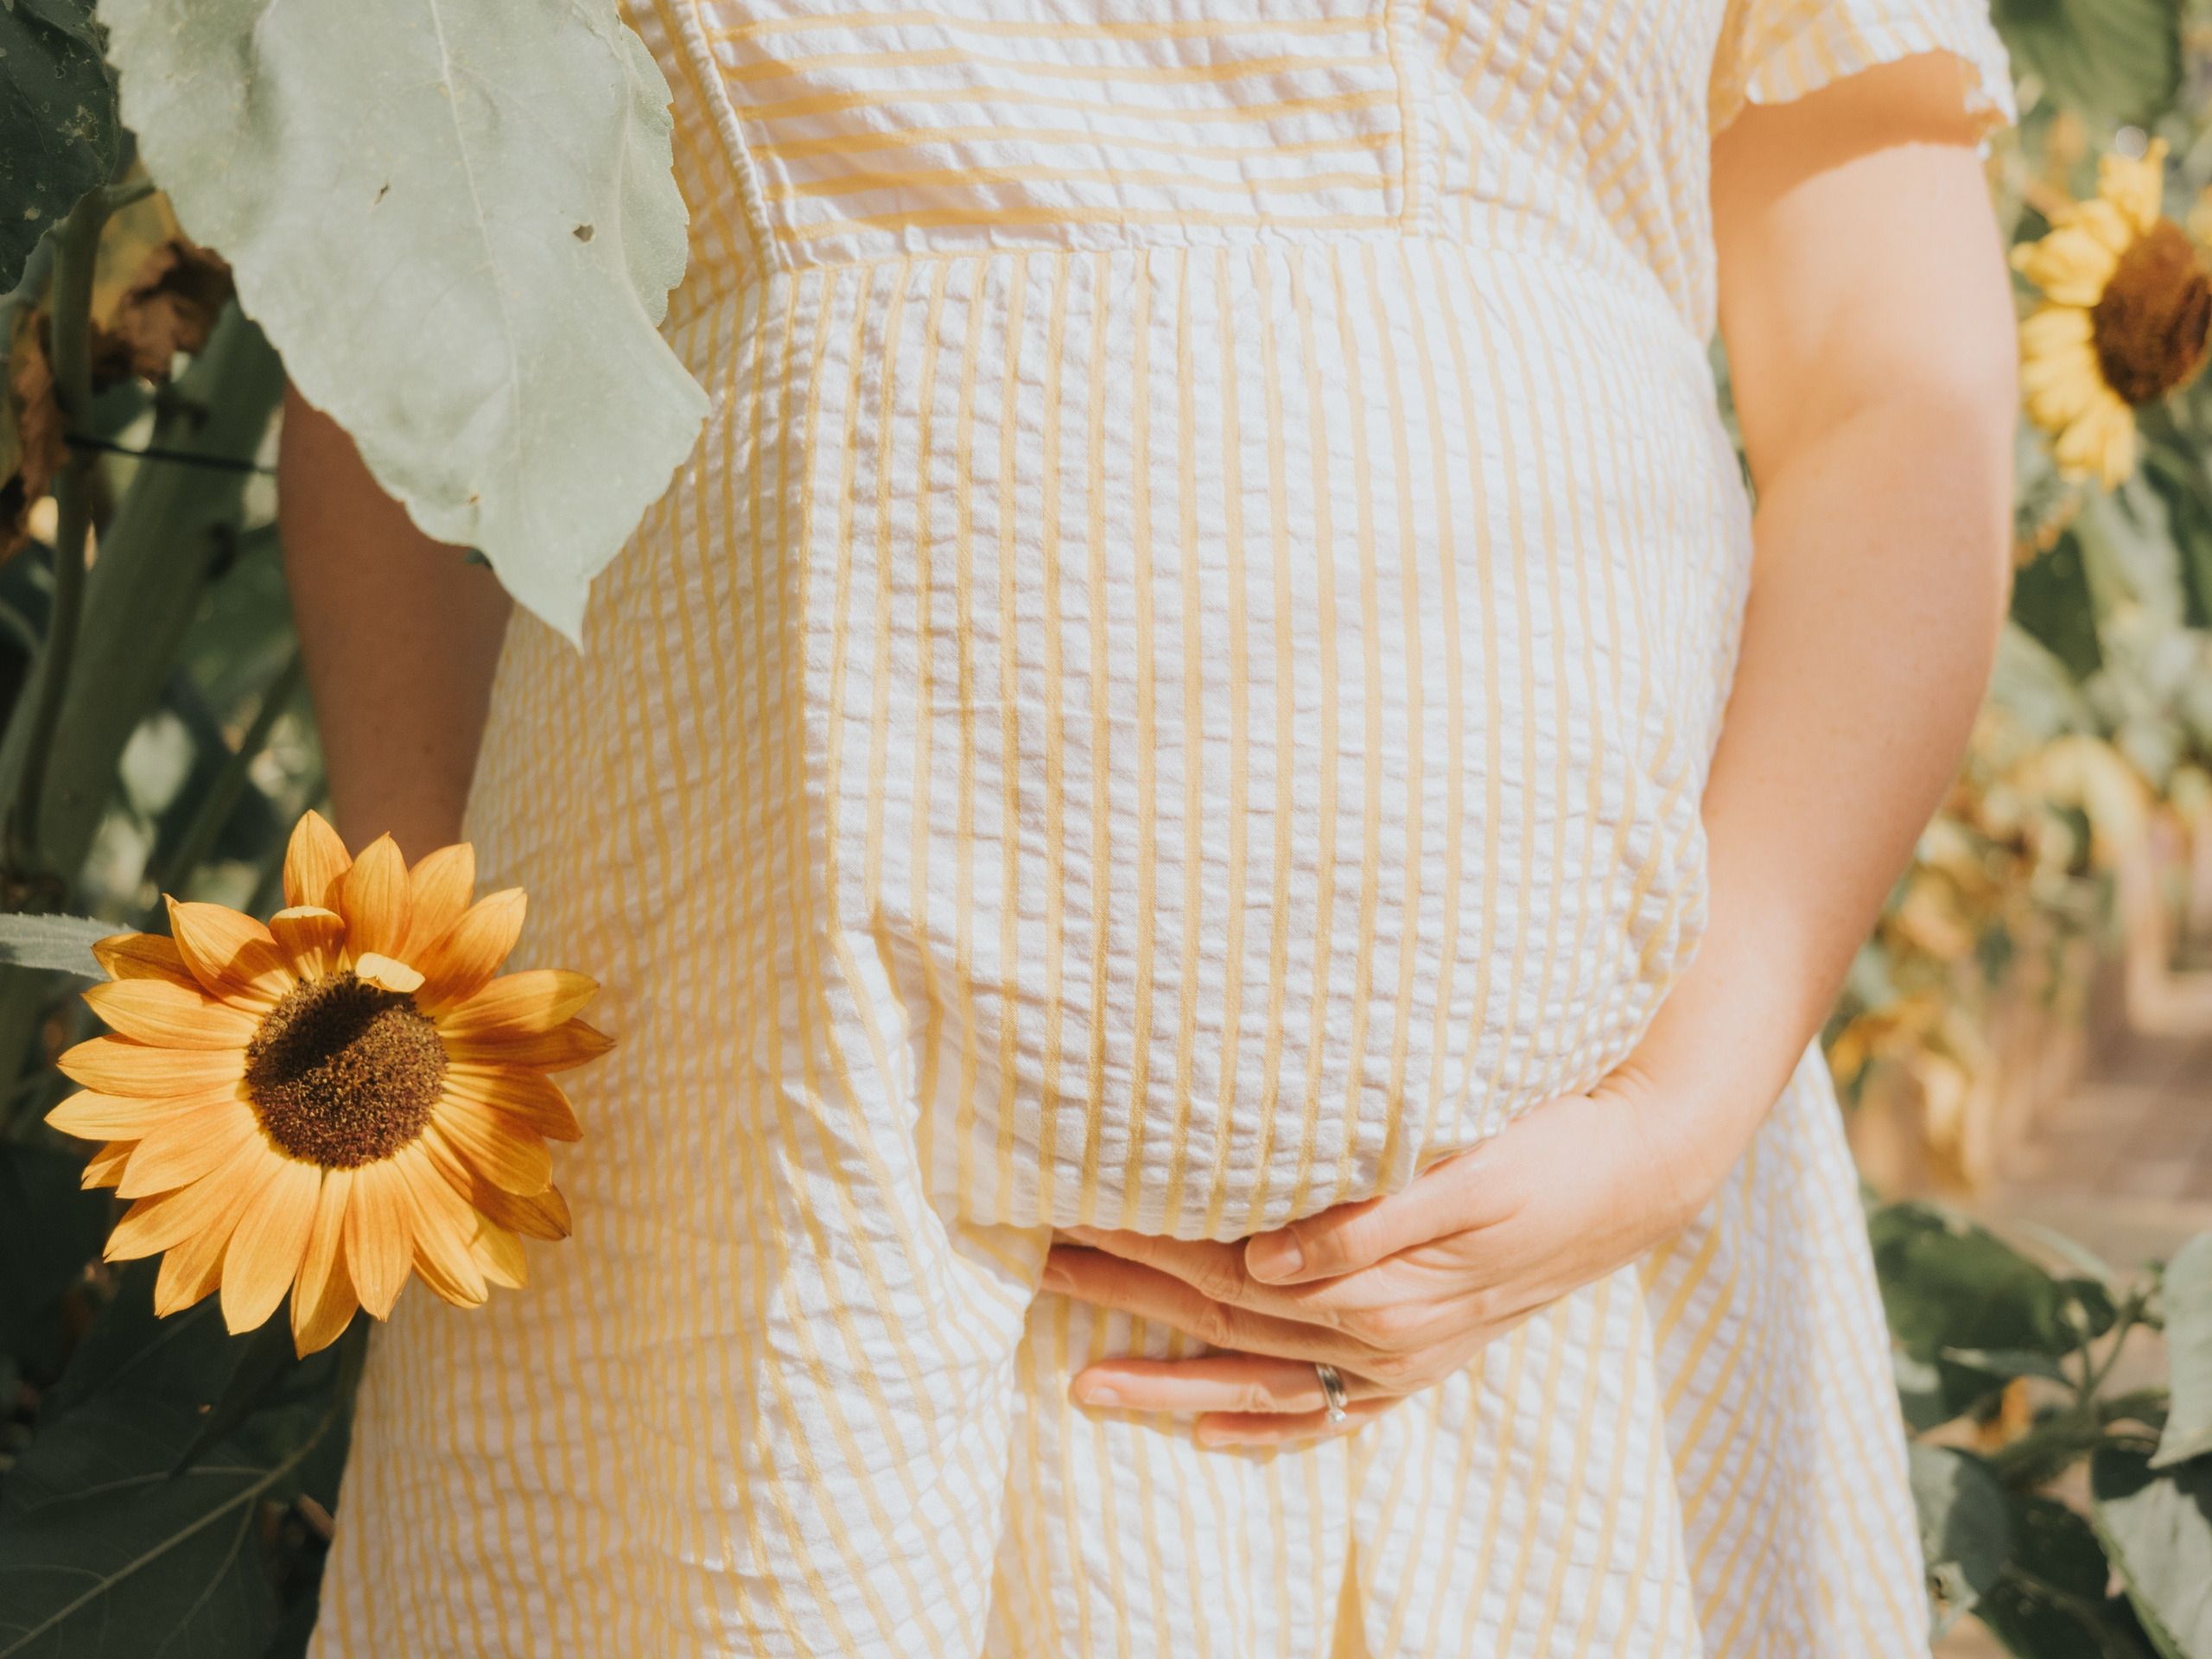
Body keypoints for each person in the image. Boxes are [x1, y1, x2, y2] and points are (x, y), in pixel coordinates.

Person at [283, 2, 2018, 1653]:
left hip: (1545, 1302)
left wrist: (1670, 1117)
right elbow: (391, 361)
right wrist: (439, 1071)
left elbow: (1895, 395)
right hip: (745, 1237)